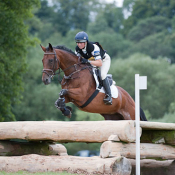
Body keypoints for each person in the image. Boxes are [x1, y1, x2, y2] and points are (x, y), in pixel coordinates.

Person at [75, 31, 112, 105]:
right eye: (77, 42)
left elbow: (99, 63)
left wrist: (88, 61)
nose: (79, 44)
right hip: (92, 62)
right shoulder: (77, 49)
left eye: (81, 42)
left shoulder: (93, 47)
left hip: (103, 60)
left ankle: (109, 96)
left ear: (86, 42)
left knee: (102, 75)